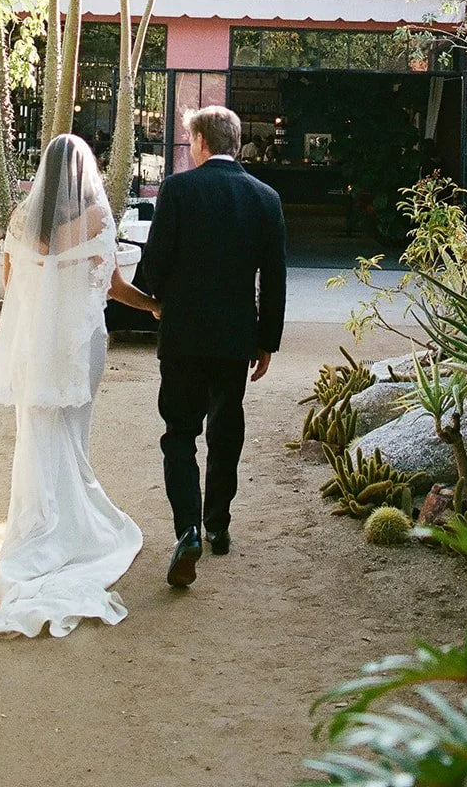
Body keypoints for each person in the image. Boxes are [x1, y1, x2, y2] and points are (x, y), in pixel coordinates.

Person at [0, 134, 159, 640]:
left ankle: (35, 531)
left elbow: (14, 287)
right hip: (78, 344)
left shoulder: (19, 220)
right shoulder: (98, 218)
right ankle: (71, 531)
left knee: (35, 434)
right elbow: (116, 288)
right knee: (73, 436)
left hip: (35, 345)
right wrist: (156, 306)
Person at [140, 105, 287, 588]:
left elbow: (156, 263)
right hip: (236, 337)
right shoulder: (266, 198)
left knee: (179, 432)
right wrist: (266, 341)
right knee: (226, 429)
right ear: (237, 142)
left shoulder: (179, 189)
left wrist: (154, 298)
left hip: (183, 333)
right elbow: (276, 278)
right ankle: (219, 523)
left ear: (201, 143)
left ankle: (189, 530)